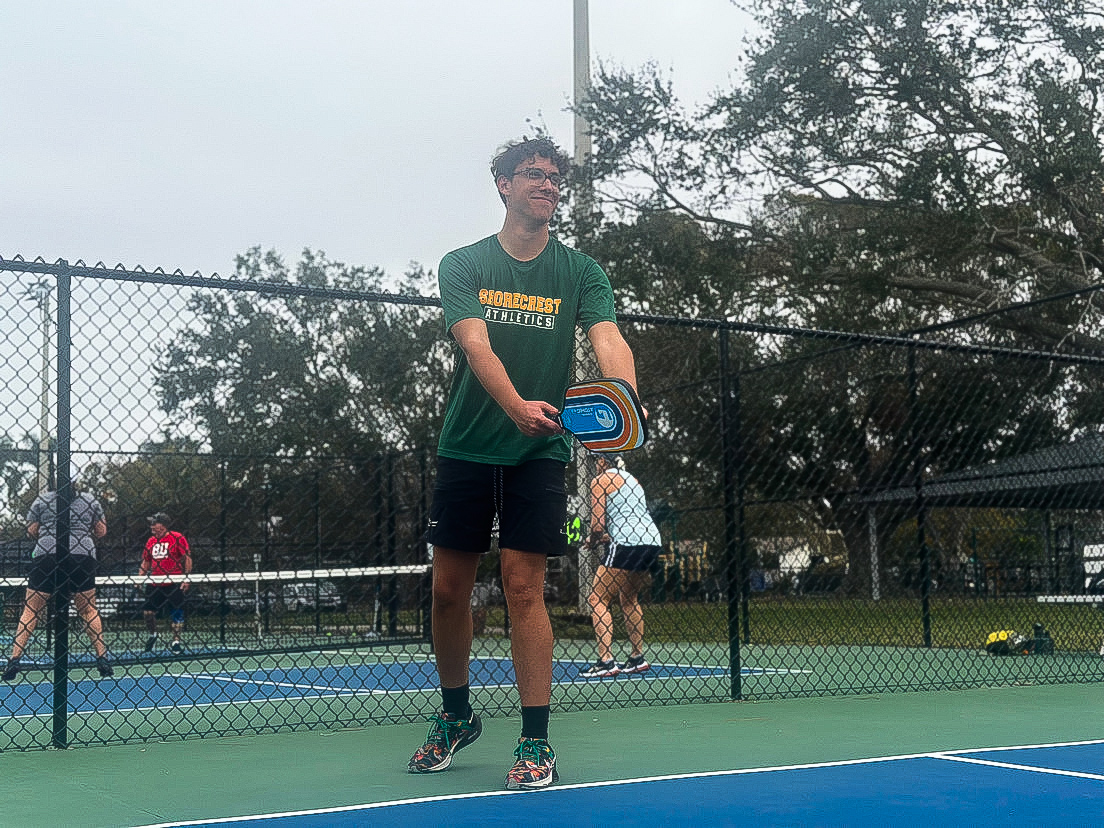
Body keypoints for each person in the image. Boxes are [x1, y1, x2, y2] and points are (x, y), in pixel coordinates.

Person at [407, 136, 641, 790]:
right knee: (450, 589)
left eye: (554, 177)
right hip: (468, 445)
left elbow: (608, 340)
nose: (547, 185)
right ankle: (456, 716)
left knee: (522, 585)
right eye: (533, 175)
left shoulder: (581, 272)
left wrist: (622, 402)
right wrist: (513, 405)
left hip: (539, 449)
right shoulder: (464, 264)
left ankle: (536, 739)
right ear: (504, 186)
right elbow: (474, 344)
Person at [2, 486, 113, 680]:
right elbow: (101, 530)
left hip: (47, 554)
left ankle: (14, 659)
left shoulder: (42, 499)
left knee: (31, 609)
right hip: (82, 555)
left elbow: (31, 530)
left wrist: (47, 533)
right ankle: (102, 657)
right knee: (88, 609)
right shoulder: (90, 499)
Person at [579, 454, 662, 678]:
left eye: (596, 460)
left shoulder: (600, 480)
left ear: (603, 461)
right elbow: (630, 521)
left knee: (597, 598)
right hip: (651, 541)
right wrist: (602, 538)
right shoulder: (633, 481)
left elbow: (597, 526)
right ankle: (637, 657)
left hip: (626, 543)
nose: (595, 465)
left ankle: (606, 661)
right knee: (629, 597)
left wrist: (594, 539)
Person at [138, 512, 192, 654]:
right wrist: (139, 578)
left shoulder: (177, 537)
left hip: (174, 581)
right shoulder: (150, 541)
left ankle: (175, 641)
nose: (152, 526)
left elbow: (187, 558)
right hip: (155, 582)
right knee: (147, 612)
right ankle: (153, 634)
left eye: (154, 523)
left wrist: (186, 578)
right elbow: (146, 561)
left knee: (176, 613)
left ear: (162, 525)